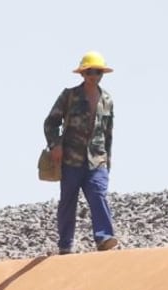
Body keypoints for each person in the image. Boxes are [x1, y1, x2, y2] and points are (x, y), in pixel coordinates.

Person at [44, 53, 118, 255]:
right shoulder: (69, 96)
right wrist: (55, 145)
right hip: (71, 159)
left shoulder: (107, 100)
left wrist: (107, 163)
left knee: (98, 195)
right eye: (90, 72)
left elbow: (108, 133)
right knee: (68, 200)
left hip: (97, 160)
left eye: (98, 71)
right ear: (83, 74)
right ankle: (65, 244)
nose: (94, 75)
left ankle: (104, 238)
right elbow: (51, 122)